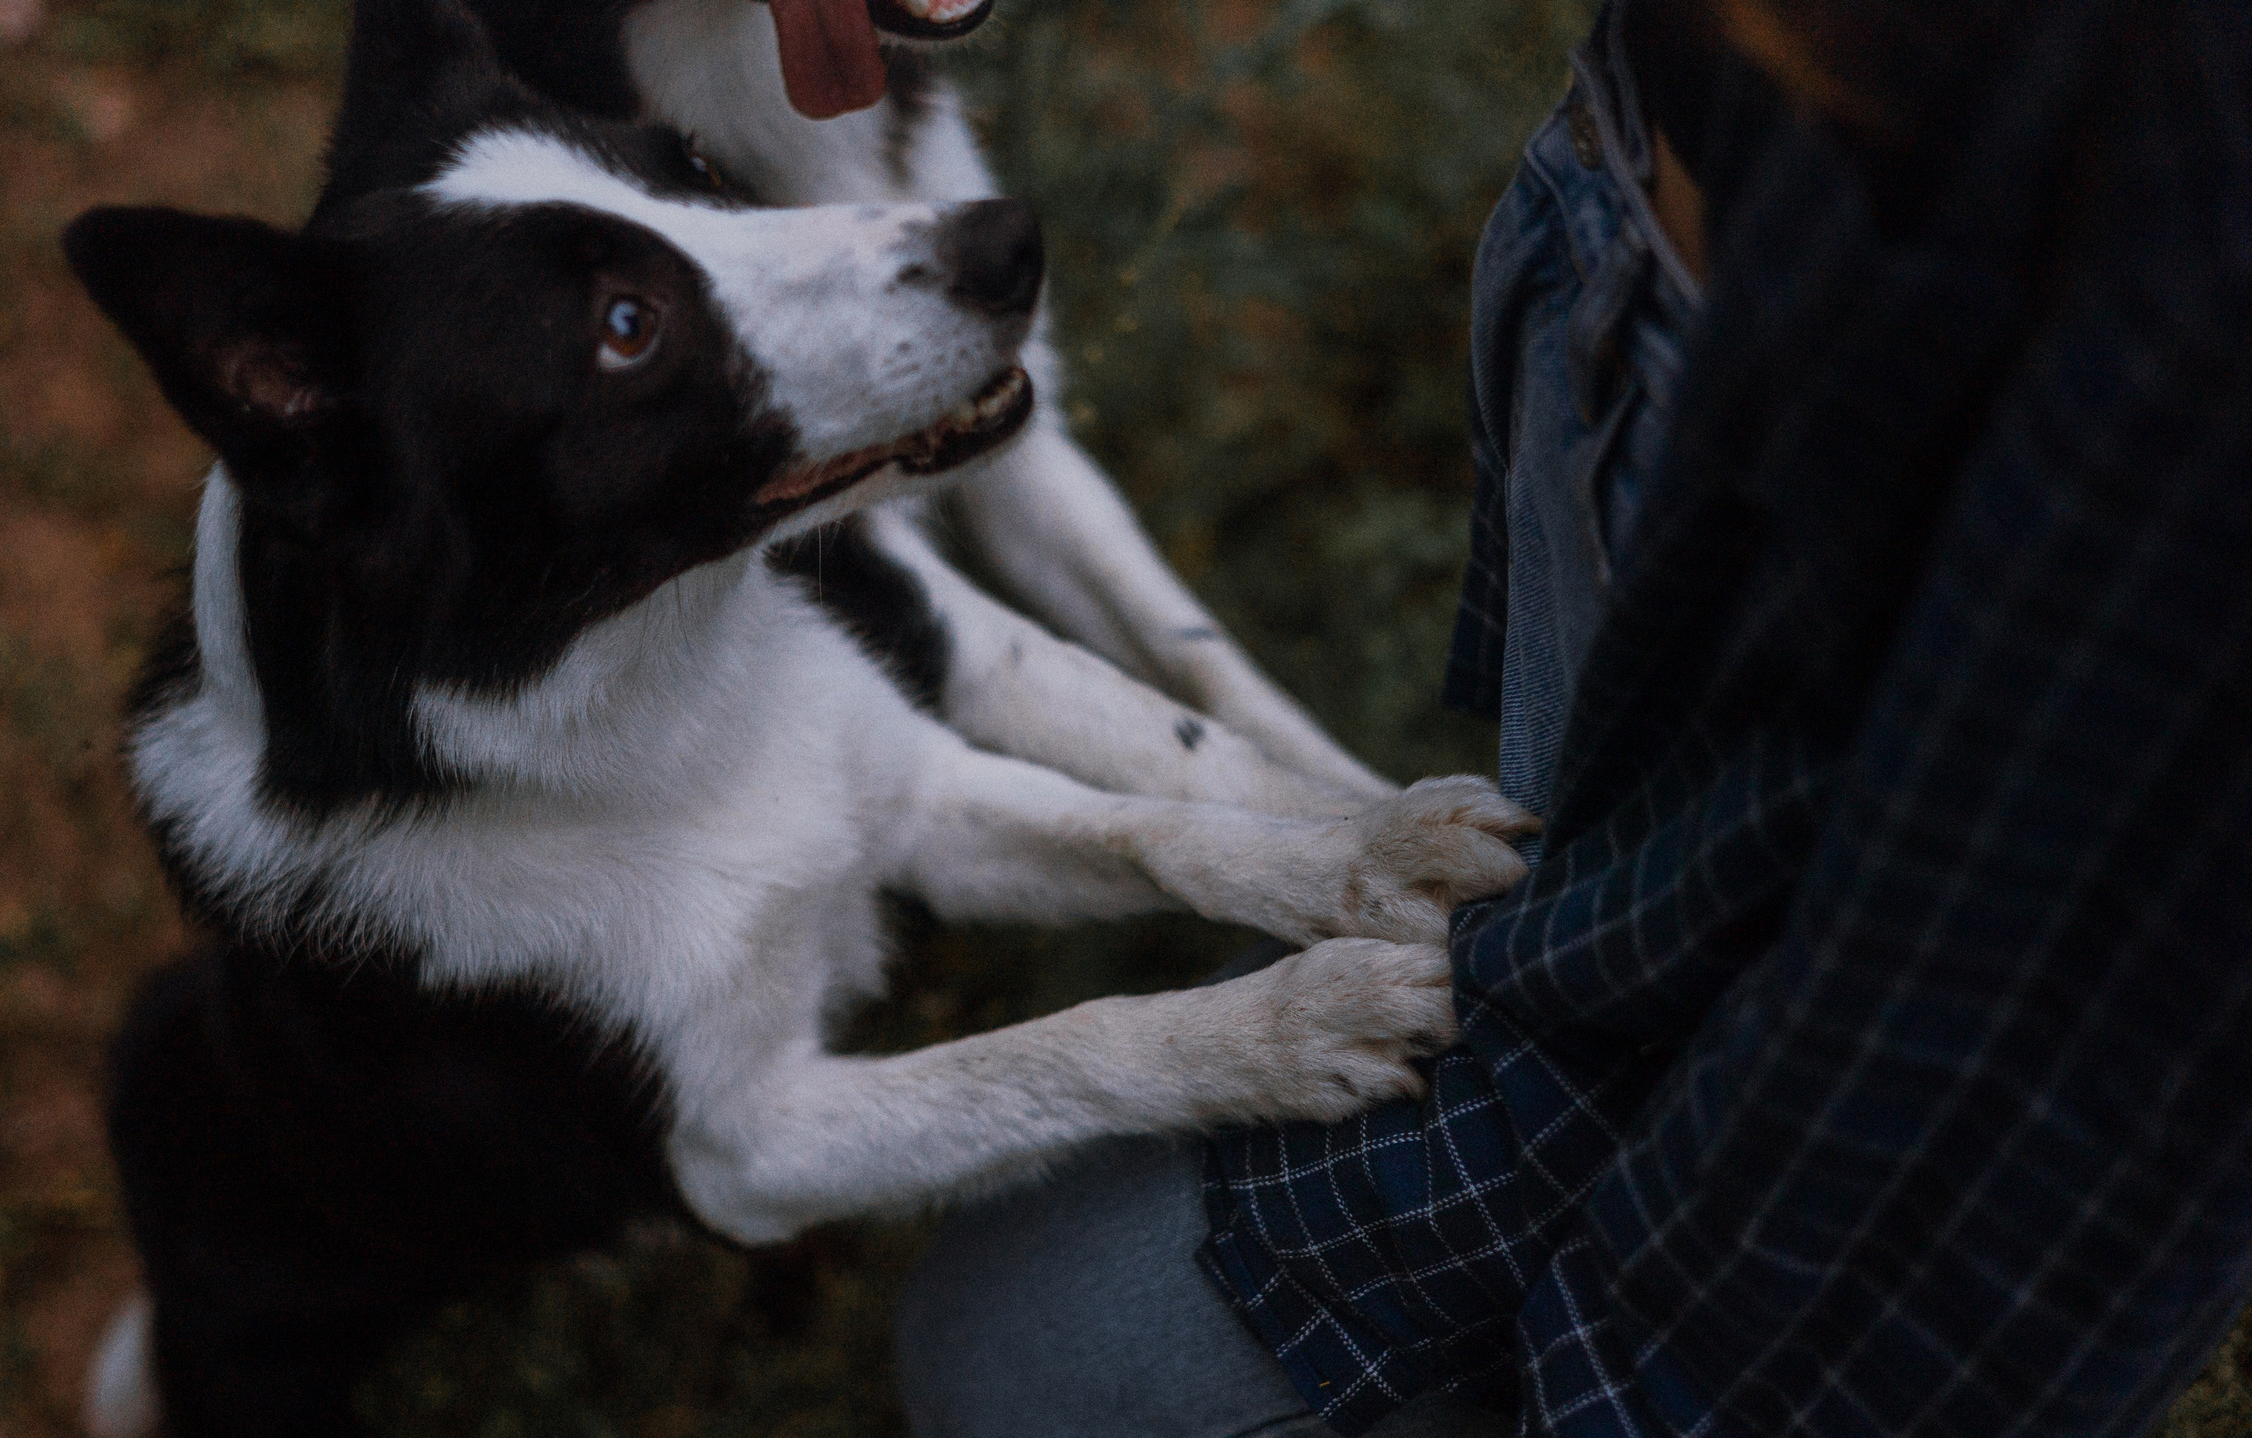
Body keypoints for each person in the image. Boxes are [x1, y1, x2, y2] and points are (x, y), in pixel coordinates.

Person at [894, 0, 2252, 1433]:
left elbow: (1987, 1137)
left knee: (1006, 1345)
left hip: (1973, 490)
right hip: (1664, 219)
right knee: (1003, 1319)